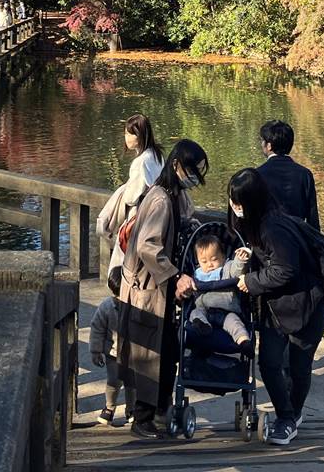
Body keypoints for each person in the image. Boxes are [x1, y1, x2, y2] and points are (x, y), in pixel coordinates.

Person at [222, 167, 324, 446]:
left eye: (238, 201)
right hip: (279, 306)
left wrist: (251, 281)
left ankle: (289, 418)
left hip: (307, 304)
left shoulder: (274, 227)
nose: (234, 207)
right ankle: (287, 414)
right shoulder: (259, 224)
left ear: (252, 201)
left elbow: (286, 270)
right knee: (269, 362)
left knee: (298, 366)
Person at [117, 139, 209, 440]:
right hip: (147, 289)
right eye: (191, 170)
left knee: (167, 351)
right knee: (150, 354)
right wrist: (175, 275)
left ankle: (159, 411)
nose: (194, 176)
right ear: (176, 166)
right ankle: (142, 419)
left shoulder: (171, 195)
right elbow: (147, 246)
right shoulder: (159, 199)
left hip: (158, 290)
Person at [98, 114, 164, 282]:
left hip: (139, 216)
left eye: (130, 134)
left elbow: (131, 197)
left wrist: (124, 190)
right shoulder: (157, 155)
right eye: (126, 133)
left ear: (140, 135)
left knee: (125, 260)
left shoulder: (141, 162)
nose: (126, 138)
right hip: (155, 215)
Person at [188, 235, 250, 348]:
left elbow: (237, 271)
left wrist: (240, 260)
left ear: (223, 257)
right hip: (205, 311)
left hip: (227, 311)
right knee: (194, 314)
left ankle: (244, 341)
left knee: (235, 323)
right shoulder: (198, 274)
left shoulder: (227, 267)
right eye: (204, 261)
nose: (210, 264)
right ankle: (203, 326)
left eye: (214, 259)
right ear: (198, 262)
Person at [256, 120, 320, 228]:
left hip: (268, 238)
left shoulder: (257, 175)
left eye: (262, 140)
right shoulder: (305, 174)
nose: (261, 144)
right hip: (297, 237)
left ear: (269, 146)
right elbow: (312, 217)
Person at [89, 294, 133, 426]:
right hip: (112, 352)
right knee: (113, 380)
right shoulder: (106, 306)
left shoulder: (135, 303)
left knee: (132, 381)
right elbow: (97, 328)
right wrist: (95, 351)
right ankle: (109, 408)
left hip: (133, 351)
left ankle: (132, 409)